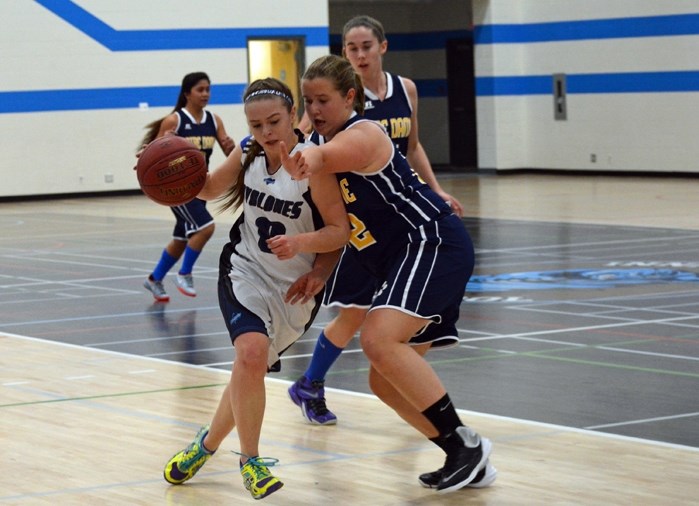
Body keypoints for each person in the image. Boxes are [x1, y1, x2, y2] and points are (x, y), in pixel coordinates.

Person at [287, 15, 496, 488]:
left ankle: (467, 447)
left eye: (323, 100)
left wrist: (299, 154)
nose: (315, 109)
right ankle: (463, 452)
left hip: (433, 241)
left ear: (349, 98)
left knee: (378, 340)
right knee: (383, 379)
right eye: (309, 101)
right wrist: (317, 267)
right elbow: (339, 229)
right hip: (398, 257)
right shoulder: (321, 149)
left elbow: (319, 157)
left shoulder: (362, 137)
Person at [160, 77, 349, 500]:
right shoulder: (248, 152)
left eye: (274, 122)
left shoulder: (311, 163)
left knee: (249, 370)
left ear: (292, 116)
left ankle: (204, 446)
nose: (265, 132)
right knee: (249, 353)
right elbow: (208, 188)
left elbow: (340, 231)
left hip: (294, 289)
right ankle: (251, 461)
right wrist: (170, 169)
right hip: (245, 270)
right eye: (256, 124)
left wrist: (307, 254)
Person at [140, 72, 235, 302]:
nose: (205, 94)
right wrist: (152, 149)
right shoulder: (175, 120)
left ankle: (155, 279)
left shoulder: (214, 120)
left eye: (208, 89)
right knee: (206, 227)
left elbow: (229, 153)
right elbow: (155, 152)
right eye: (200, 89)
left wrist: (232, 148)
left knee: (182, 239)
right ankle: (185, 273)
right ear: (187, 93)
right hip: (178, 189)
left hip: (200, 187)